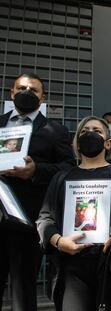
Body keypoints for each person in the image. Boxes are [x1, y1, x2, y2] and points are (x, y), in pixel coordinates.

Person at [36, 116, 111, 310]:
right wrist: (59, 241)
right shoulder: (61, 178)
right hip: (72, 269)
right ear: (76, 143)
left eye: (97, 131)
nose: (90, 134)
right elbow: (45, 219)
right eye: (84, 132)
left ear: (108, 143)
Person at [0, 73, 75, 311]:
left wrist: (36, 171)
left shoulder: (55, 129)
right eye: (21, 88)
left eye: (33, 90)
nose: (27, 92)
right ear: (12, 93)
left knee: (23, 291)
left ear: (42, 98)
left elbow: (68, 168)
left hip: (27, 220)